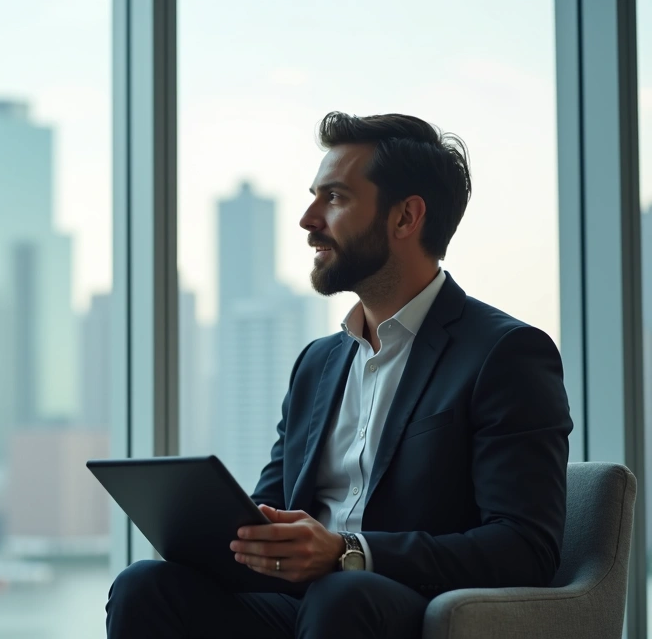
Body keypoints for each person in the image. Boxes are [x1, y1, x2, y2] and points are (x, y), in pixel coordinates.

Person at [105, 112, 572, 638]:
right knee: (143, 585)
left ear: (405, 217)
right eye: (314, 197)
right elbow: (274, 508)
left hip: (406, 610)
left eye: (334, 198)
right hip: (299, 607)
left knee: (342, 593)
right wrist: (232, 534)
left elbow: (525, 547)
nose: (308, 219)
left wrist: (349, 553)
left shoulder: (505, 354)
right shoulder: (317, 363)